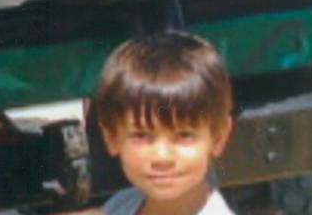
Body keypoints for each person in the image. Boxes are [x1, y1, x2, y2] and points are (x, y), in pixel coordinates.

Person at [90, 31, 236, 215]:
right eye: (141, 136)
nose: (162, 157)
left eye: (184, 135)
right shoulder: (121, 205)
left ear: (218, 138)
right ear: (111, 137)